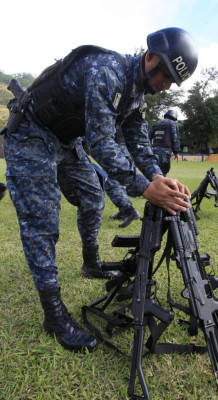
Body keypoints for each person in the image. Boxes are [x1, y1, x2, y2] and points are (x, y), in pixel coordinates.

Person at [2, 27, 198, 352]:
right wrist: (144, 189)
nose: (166, 85)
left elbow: (137, 140)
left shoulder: (137, 93)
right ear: (150, 57)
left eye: (172, 82)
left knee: (93, 197)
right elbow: (102, 144)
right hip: (32, 133)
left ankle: (90, 262)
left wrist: (155, 177)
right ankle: (54, 315)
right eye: (165, 75)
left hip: (65, 140)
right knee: (42, 220)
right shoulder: (106, 70)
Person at [105, 126, 141, 228]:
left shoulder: (111, 112)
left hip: (118, 148)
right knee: (121, 183)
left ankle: (129, 211)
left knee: (110, 183)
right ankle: (123, 212)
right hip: (127, 148)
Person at [148, 109, 180, 176]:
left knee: (155, 172)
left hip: (154, 151)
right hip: (165, 152)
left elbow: (148, 136)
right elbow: (175, 138)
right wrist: (176, 152)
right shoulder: (172, 123)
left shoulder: (156, 123)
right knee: (163, 173)